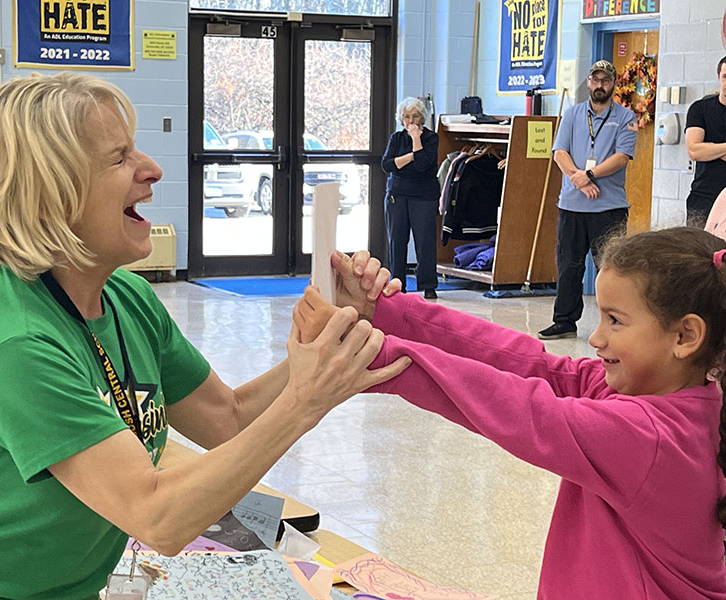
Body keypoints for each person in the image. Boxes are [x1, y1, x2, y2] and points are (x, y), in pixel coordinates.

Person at [0, 72, 410, 600]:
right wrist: (303, 402)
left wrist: (329, 334)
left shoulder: (125, 297)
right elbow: (158, 517)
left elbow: (227, 418)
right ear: (47, 199)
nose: (152, 170)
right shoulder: (17, 348)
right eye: (118, 159)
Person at [295, 227, 726, 599]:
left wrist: (372, 353)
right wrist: (386, 312)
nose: (595, 338)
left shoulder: (648, 438)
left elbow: (522, 408)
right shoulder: (661, 397)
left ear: (686, 335)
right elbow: (527, 362)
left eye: (615, 321)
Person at [538, 59, 637, 340]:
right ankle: (564, 321)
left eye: (605, 80)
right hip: (572, 204)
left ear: (613, 84)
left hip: (609, 207)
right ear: (588, 83)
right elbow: (559, 152)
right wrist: (579, 180)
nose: (600, 85)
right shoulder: (572, 114)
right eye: (595, 80)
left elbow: (621, 157)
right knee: (569, 264)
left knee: (611, 268)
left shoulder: (626, 117)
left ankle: (616, 323)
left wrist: (589, 174)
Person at [381, 96, 440, 299]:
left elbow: (424, 166)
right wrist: (411, 157)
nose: (411, 121)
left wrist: (416, 140)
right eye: (406, 117)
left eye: (415, 116)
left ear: (422, 118)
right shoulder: (396, 139)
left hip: (424, 196)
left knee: (424, 241)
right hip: (397, 194)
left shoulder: (431, 138)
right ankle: (398, 283)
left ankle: (428, 284)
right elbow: (386, 165)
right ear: (401, 118)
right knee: (397, 239)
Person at [685, 55, 726, 226]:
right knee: (698, 252)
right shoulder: (699, 109)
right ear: (718, 78)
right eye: (725, 77)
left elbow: (701, 149)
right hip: (703, 199)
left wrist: (711, 149)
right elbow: (694, 151)